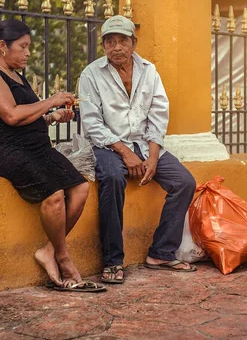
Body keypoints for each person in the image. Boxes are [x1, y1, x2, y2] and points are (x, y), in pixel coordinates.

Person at [0, 19, 104, 293]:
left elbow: (28, 117)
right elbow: (11, 115)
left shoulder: (17, 75)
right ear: (3, 46)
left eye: (29, 46)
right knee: (53, 194)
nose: (28, 52)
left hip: (35, 148)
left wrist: (52, 117)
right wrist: (52, 100)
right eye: (23, 46)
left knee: (79, 187)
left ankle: (48, 250)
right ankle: (63, 258)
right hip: (5, 151)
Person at [79, 15, 197, 285]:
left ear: (134, 43)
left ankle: (161, 253)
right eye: (110, 41)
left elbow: (158, 114)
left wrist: (153, 156)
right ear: (103, 45)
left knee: (184, 182)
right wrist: (124, 152)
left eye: (122, 41)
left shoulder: (149, 71)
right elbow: (92, 123)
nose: (116, 47)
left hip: (145, 144)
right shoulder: (91, 74)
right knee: (111, 177)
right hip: (108, 144)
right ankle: (113, 259)